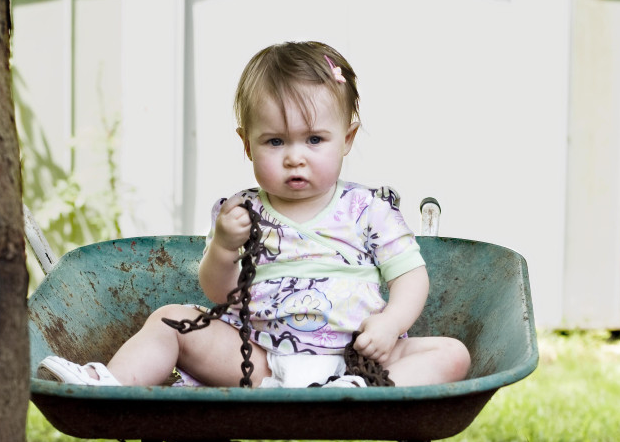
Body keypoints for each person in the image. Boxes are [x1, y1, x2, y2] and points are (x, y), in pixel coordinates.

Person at [40, 40, 470, 389]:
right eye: (275, 142)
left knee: (453, 354)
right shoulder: (241, 213)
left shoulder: (368, 211)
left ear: (347, 139)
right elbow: (219, 291)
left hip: (356, 357)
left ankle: (356, 393)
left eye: (315, 139)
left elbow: (411, 277)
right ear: (247, 145)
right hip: (259, 360)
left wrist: (390, 324)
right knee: (171, 320)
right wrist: (225, 247)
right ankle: (112, 384)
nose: (295, 158)